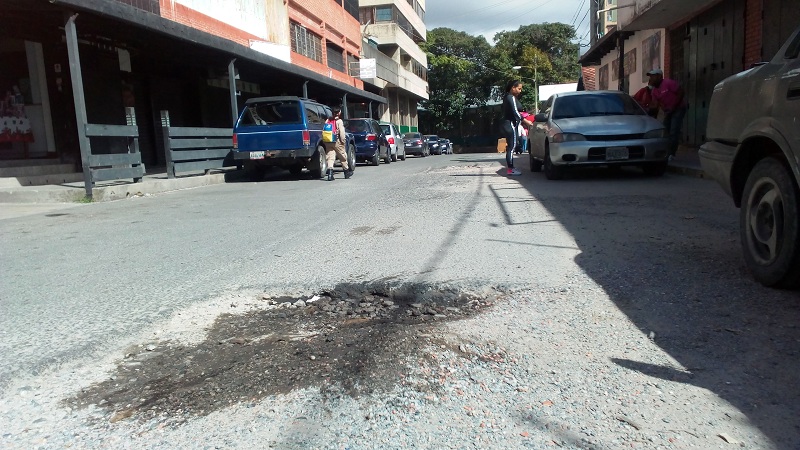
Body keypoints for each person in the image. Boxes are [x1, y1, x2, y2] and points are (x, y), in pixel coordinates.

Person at [646, 68, 687, 159]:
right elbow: (655, 104)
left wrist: (674, 105)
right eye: (650, 76)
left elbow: (681, 92)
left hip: (678, 108)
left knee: (674, 130)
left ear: (659, 76)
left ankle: (672, 153)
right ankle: (666, 151)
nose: (651, 79)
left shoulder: (668, 83)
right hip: (669, 111)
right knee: (665, 130)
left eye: (653, 76)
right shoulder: (654, 91)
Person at [501, 80, 533, 175]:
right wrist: (527, 122)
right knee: (512, 146)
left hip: (510, 124)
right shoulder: (511, 98)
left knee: (512, 146)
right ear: (513, 88)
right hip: (510, 124)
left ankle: (511, 168)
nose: (520, 91)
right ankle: (510, 169)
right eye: (519, 88)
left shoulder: (508, 97)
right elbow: (515, 113)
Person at [325, 108, 352, 181]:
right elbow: (342, 133)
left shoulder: (328, 120)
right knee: (342, 156)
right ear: (339, 113)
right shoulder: (339, 121)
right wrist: (343, 141)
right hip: (337, 141)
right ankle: (346, 172)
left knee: (330, 157)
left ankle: (330, 174)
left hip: (328, 141)